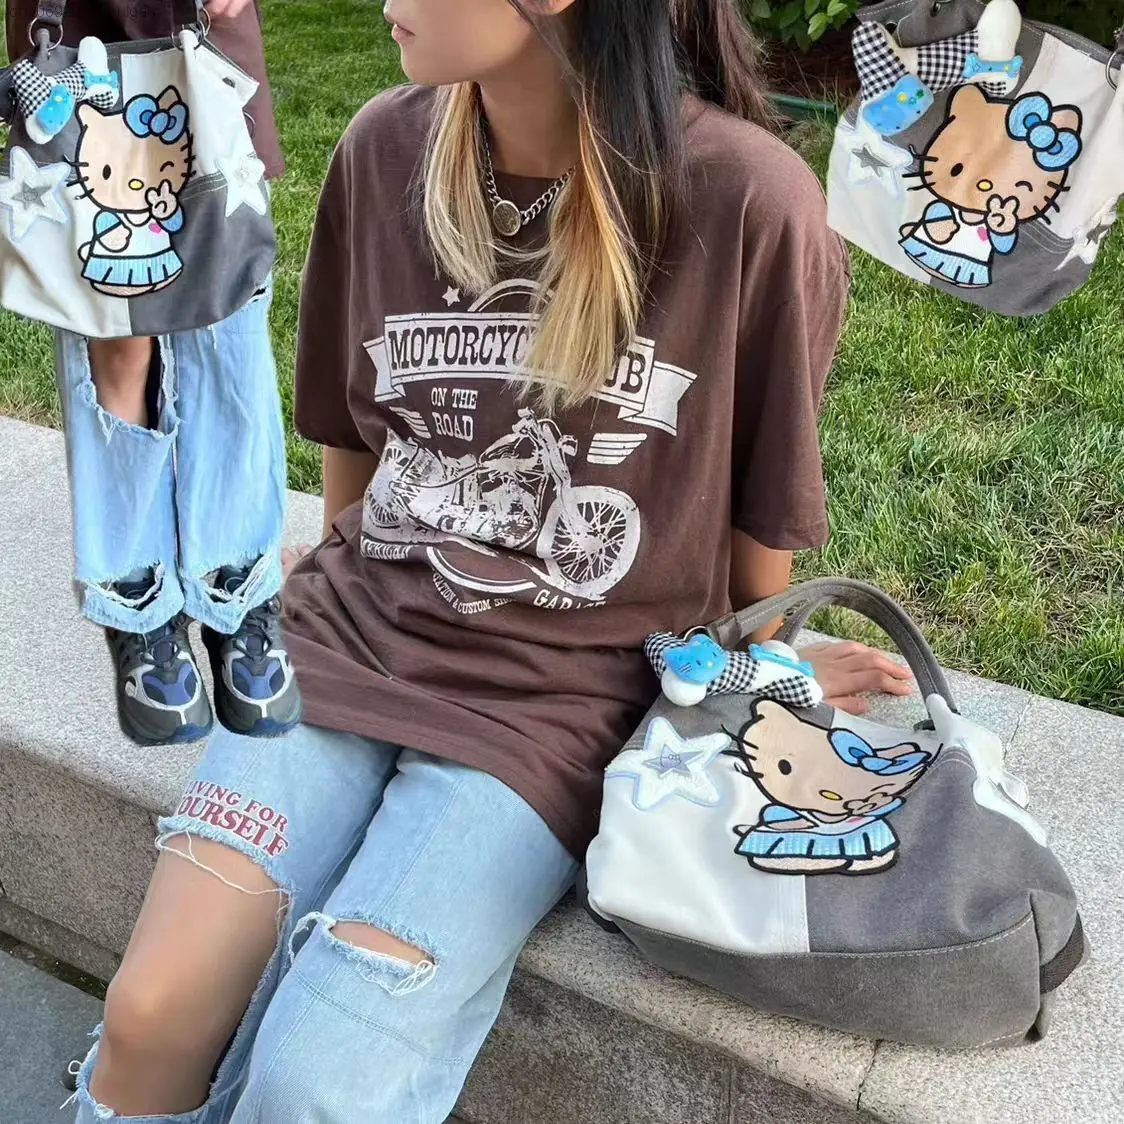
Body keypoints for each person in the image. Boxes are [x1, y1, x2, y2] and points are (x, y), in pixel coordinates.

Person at [68, 0, 915, 1120]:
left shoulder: (750, 201)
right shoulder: (385, 145)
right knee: (149, 1012)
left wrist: (773, 666)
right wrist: (346, 581)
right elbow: (353, 446)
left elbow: (758, 526)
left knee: (315, 1080)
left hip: (555, 708)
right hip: (343, 646)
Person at [3, 0, 301, 745]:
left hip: (205, 35)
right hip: (80, 46)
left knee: (225, 321)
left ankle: (237, 584)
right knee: (115, 338)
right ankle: (136, 596)